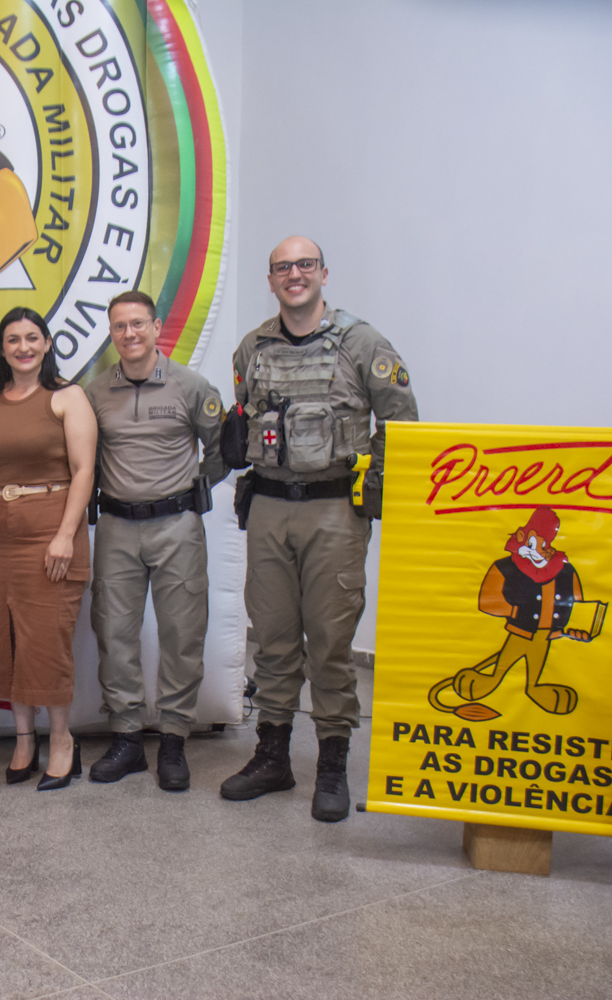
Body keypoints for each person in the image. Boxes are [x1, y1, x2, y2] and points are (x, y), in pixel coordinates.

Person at [222, 236, 417, 822]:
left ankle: (332, 763)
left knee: (331, 643)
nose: (295, 275)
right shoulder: (252, 348)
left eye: (305, 264)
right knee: (273, 637)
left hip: (334, 510)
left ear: (323, 274)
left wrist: (370, 493)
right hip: (269, 507)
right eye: (283, 267)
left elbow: (402, 426)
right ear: (271, 279)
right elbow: (245, 418)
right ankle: (273, 756)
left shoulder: (364, 344)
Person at [84, 290, 228, 791]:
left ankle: (173, 738)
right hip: (117, 526)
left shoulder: (191, 386)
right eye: (120, 326)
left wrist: (191, 488)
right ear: (111, 333)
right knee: (114, 633)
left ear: (157, 327)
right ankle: (126, 737)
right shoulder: (95, 393)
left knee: (182, 634)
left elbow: (221, 449)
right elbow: (86, 458)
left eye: (138, 324)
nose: (129, 334)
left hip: (176, 526)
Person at [0, 307, 97, 790]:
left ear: (46, 344)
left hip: (51, 532)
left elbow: (84, 471)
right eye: (13, 339)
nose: (23, 347)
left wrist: (65, 535)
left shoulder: (67, 397)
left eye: (32, 338)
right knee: (4, 639)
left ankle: (62, 741)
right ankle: (24, 740)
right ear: (2, 349)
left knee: (47, 641)